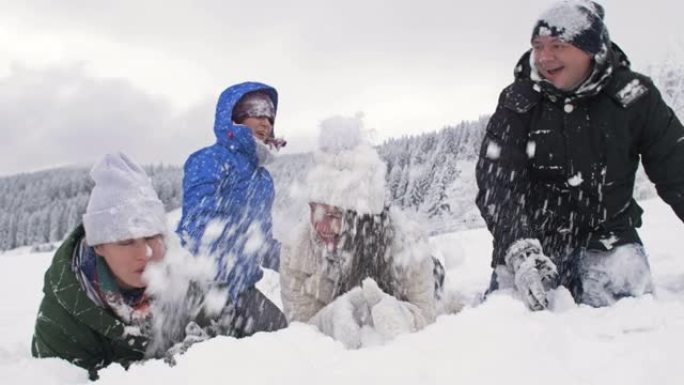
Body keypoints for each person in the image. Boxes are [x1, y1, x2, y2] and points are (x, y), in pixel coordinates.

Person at [476, 0, 684, 310]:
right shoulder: (517, 101)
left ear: (590, 49)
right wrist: (520, 250)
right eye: (538, 46)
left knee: (626, 323)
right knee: (510, 321)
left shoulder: (634, 97)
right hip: (533, 244)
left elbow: (677, 168)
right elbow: (498, 183)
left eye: (558, 45)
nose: (545, 57)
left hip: (608, 239)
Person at [280, 115, 444, 348]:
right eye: (315, 210)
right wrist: (331, 318)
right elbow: (300, 330)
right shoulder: (296, 251)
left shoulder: (409, 242)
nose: (320, 226)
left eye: (334, 215)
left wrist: (400, 315)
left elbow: (426, 318)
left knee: (433, 275)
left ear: (359, 219)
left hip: (408, 280)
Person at [32, 152, 168, 379]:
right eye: (126, 241)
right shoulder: (61, 323)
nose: (145, 252)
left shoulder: (182, 276)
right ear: (98, 246)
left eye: (153, 236)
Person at [176, 81, 287, 334]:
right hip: (203, 289)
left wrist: (296, 260)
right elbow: (199, 228)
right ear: (234, 116)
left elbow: (261, 242)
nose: (265, 122)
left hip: (242, 291)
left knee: (285, 338)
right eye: (256, 111)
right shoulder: (209, 161)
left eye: (269, 116)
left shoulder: (262, 180)